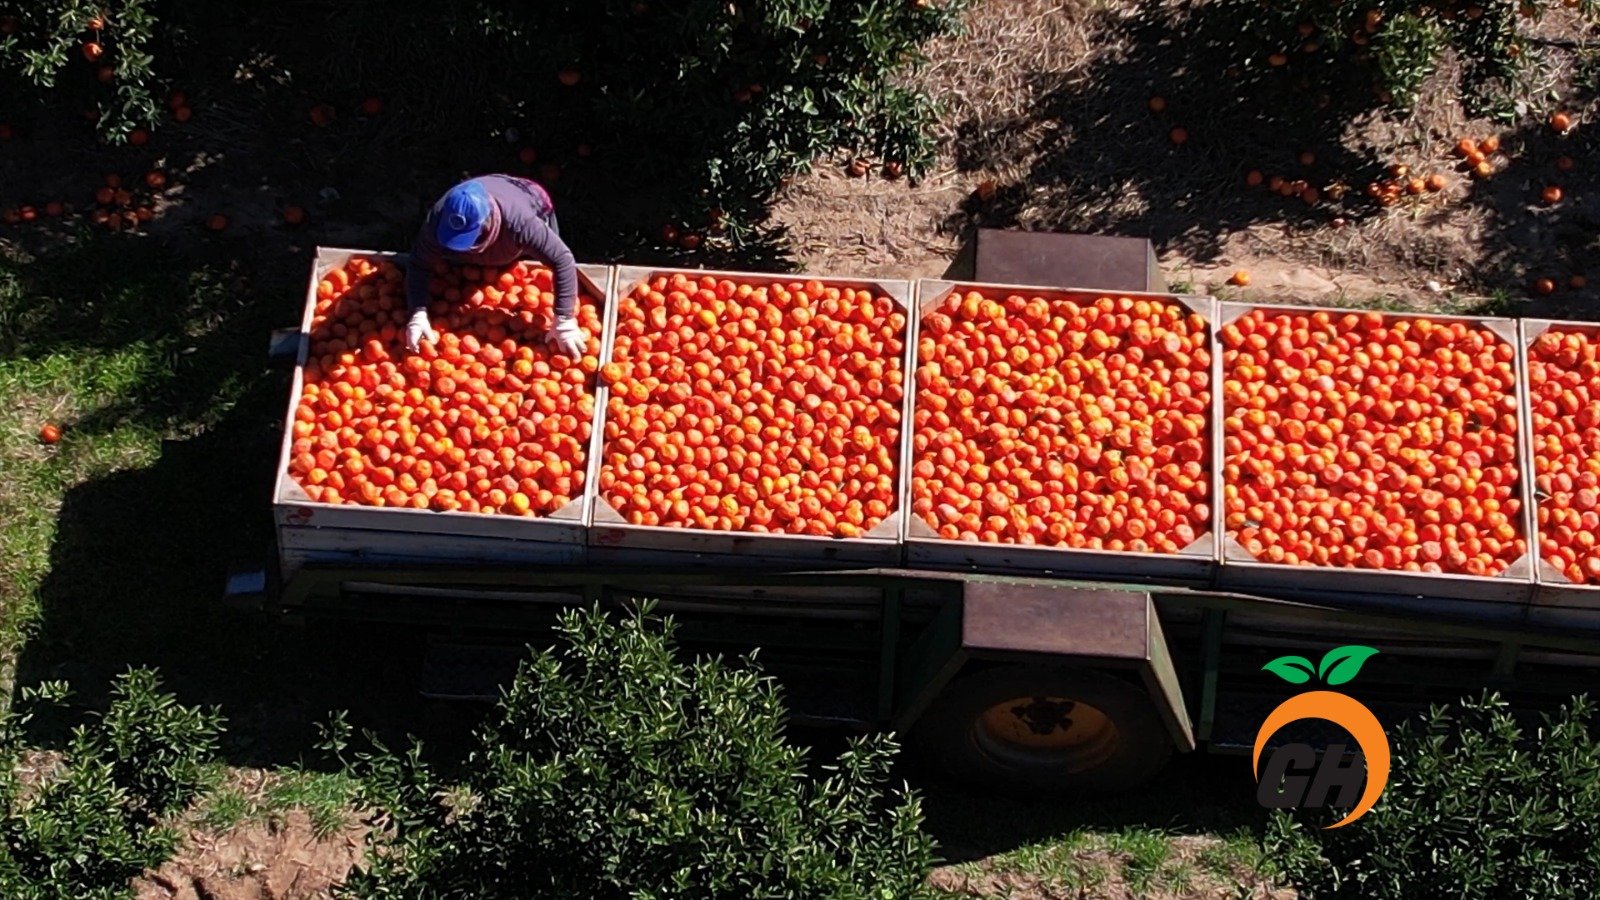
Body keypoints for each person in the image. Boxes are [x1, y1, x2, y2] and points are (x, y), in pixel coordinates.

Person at [404, 174, 585, 358]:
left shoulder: (522, 224)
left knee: (543, 248)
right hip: (493, 204)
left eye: (470, 240)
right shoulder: (439, 219)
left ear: (487, 222)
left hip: (530, 198)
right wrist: (417, 312)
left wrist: (564, 319)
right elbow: (419, 263)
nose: (467, 248)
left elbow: (562, 259)